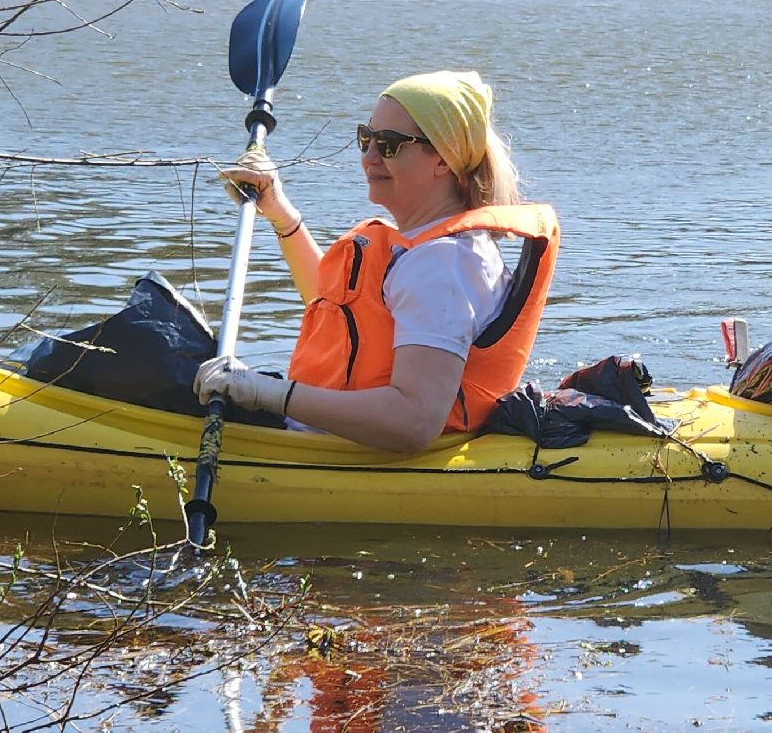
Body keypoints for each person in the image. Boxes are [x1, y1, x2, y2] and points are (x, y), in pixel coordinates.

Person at [193, 71, 559, 453]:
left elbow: (413, 422)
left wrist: (265, 392)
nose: (368, 158)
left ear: (442, 160)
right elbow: (339, 310)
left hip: (353, 452)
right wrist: (281, 216)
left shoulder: (442, 266)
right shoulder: (426, 249)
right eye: (366, 138)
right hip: (328, 437)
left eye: (389, 145)